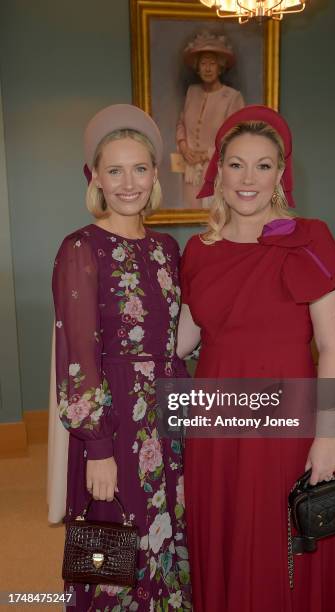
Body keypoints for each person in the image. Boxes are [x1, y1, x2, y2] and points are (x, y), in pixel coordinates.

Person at [177, 105, 335, 612]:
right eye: (236, 164)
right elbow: (183, 342)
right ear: (218, 170)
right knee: (223, 532)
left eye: (263, 165)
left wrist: (326, 439)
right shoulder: (199, 250)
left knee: (278, 541)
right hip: (213, 421)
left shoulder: (310, 239)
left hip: (284, 423)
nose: (247, 178)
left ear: (280, 173)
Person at [52, 104, 191, 610]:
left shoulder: (166, 249)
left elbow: (175, 339)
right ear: (96, 178)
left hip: (170, 417)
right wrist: (98, 446)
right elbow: (78, 357)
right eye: (115, 170)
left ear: (155, 174)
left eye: (139, 168)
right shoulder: (80, 248)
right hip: (115, 424)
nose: (128, 182)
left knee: (169, 538)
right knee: (112, 550)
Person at [176, 31, 244, 209]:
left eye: (212, 63)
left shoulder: (232, 97)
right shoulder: (192, 91)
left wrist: (206, 155)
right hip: (190, 168)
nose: (207, 68)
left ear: (220, 67)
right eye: (203, 63)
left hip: (216, 168)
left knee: (214, 215)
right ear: (197, 67)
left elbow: (235, 136)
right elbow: (181, 124)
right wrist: (184, 148)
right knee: (189, 212)